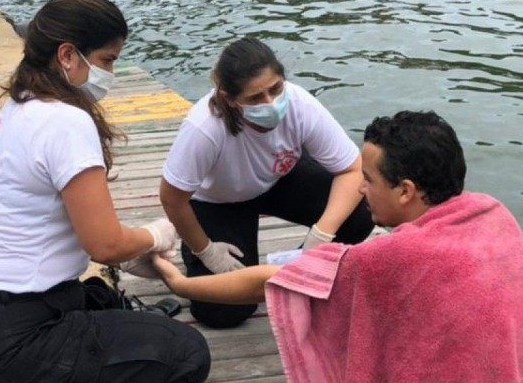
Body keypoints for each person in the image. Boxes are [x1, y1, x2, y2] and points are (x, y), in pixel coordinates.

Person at [149, 111, 523, 383]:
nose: (359, 188)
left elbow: (269, 282)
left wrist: (181, 284)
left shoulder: (391, 257)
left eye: (369, 179)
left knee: (335, 322)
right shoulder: (493, 213)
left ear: (406, 190)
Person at [0, 0, 210, 383]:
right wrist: (157, 235)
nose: (111, 74)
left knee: (119, 357)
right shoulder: (65, 121)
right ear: (68, 55)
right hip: (20, 342)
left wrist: (129, 253)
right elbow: (103, 243)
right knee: (185, 355)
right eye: (106, 60)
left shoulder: (21, 107)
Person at [160, 37, 373, 328]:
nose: (270, 103)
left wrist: (321, 235)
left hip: (278, 178)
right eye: (255, 98)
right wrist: (206, 250)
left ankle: (303, 266)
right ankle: (197, 255)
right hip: (219, 200)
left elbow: (352, 169)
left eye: (275, 89)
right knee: (223, 312)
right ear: (229, 99)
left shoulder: (299, 103)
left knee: (361, 211)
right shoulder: (204, 128)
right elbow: (172, 197)